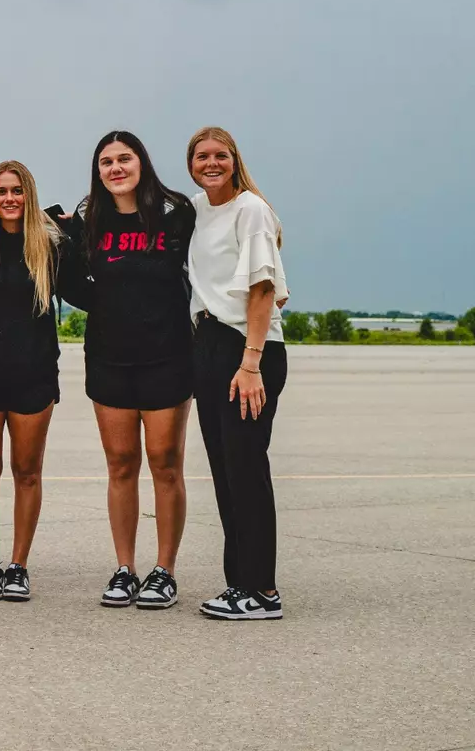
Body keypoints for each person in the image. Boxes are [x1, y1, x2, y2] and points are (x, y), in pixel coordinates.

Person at [64, 130, 195, 610]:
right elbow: (77, 286)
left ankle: (165, 571)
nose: (115, 168)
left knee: (164, 462)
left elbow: (204, 266)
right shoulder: (88, 219)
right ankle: (125, 569)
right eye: (106, 162)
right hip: (109, 358)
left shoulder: (177, 212)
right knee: (120, 464)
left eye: (124, 159)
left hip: (168, 356)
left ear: (142, 162)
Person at [0, 161, 84, 602]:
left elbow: (84, 292)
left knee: (27, 472)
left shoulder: (50, 245)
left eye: (17, 191)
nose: (9, 199)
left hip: (34, 374)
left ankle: (18, 566)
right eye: (0, 191)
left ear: (29, 195)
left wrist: (79, 231)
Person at [185, 126, 289, 621]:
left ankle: (262, 590)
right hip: (207, 344)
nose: (211, 163)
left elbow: (264, 289)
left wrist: (251, 363)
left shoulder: (251, 209)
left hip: (246, 349)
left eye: (219, 155)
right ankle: (238, 584)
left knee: (247, 470)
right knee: (226, 474)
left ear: (234, 160)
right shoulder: (199, 209)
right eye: (201, 156)